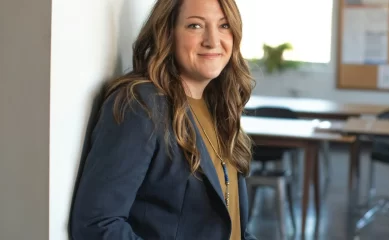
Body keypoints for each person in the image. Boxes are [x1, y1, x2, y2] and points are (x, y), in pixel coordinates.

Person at [69, 0, 256, 239]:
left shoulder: (220, 108)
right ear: (168, 33)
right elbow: (97, 224)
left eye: (224, 25)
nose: (213, 40)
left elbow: (234, 228)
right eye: (195, 26)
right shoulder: (140, 104)